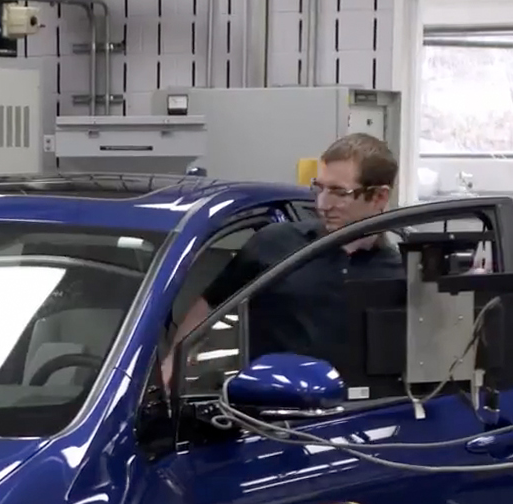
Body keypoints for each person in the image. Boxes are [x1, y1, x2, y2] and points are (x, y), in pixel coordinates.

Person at [170, 133, 405, 373]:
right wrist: (173, 366)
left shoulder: (400, 274)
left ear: (379, 197)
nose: (322, 204)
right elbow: (207, 308)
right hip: (259, 406)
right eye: (319, 188)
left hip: (360, 408)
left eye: (338, 192)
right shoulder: (275, 243)